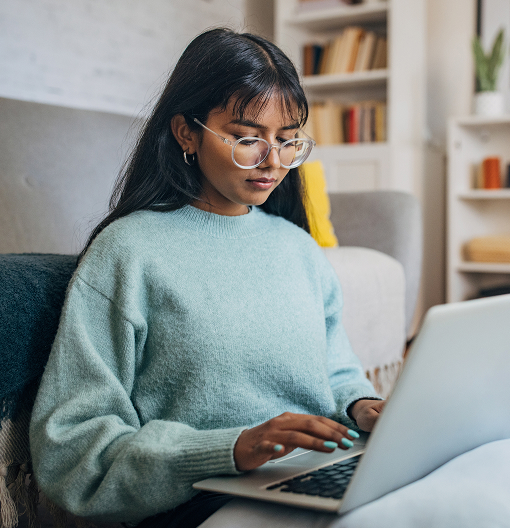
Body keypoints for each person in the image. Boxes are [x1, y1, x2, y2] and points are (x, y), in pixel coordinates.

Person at [29, 27, 385, 528]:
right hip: (202, 500)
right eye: (247, 138)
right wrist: (232, 447)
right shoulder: (128, 252)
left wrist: (362, 405)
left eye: (287, 141)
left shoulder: (299, 249)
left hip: (316, 473)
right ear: (186, 132)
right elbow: (74, 453)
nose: (274, 162)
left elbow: (336, 371)